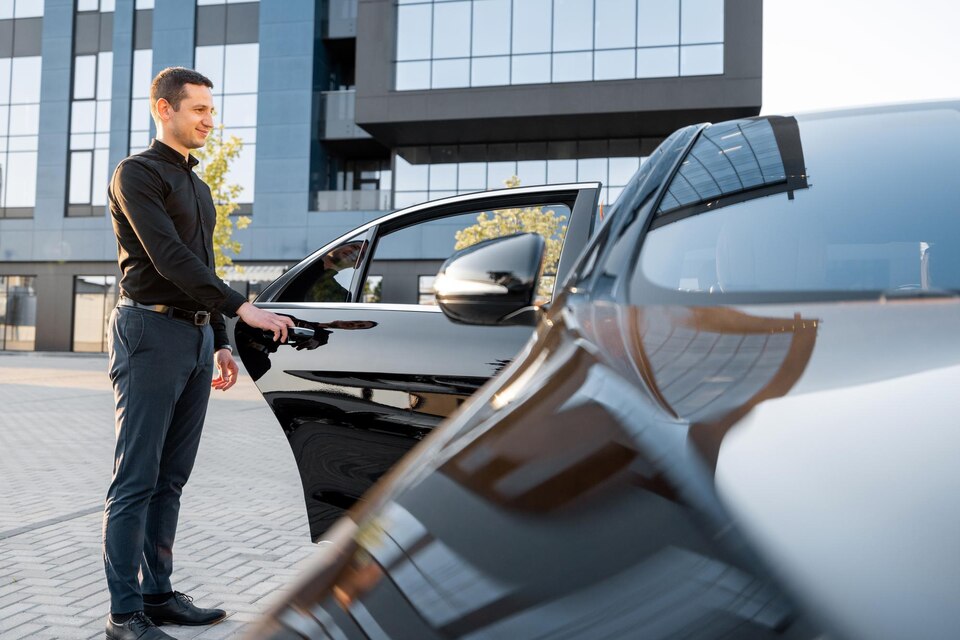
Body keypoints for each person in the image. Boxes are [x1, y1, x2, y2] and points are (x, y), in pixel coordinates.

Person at [101, 67, 295, 640]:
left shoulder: (199, 186)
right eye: (200, 110)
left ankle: (158, 595)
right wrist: (243, 309)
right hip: (149, 332)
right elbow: (168, 260)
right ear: (165, 109)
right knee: (136, 477)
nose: (211, 120)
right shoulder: (136, 174)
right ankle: (123, 612)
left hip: (192, 336)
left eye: (213, 110)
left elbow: (202, 270)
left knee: (172, 478)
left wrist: (220, 340)